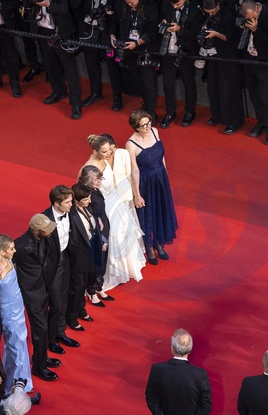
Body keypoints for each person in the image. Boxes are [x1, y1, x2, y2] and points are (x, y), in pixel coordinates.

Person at [83, 134, 146, 292]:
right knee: (113, 238)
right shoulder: (89, 167)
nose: (109, 153)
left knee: (124, 234)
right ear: (95, 151)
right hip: (104, 206)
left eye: (109, 150)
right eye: (105, 152)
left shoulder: (104, 160)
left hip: (115, 201)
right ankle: (110, 274)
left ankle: (123, 271)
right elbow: (82, 189)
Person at [125, 110, 179, 265]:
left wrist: (165, 176)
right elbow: (134, 170)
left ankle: (158, 243)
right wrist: (137, 194)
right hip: (145, 183)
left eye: (149, 123)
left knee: (160, 210)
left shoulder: (155, 131)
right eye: (144, 125)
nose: (148, 127)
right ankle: (149, 246)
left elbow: (161, 156)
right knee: (148, 215)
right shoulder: (131, 144)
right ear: (136, 127)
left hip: (160, 179)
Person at [145, 329, 211, 415]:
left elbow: (151, 400)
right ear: (190, 349)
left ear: (172, 348)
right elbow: (206, 405)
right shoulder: (200, 374)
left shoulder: (157, 370)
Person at [13, 214, 59, 382]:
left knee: (44, 325)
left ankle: (41, 357)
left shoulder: (46, 237)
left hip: (45, 287)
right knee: (41, 329)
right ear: (37, 230)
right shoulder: (20, 245)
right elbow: (6, 263)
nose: (50, 232)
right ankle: (39, 367)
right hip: (31, 292)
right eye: (46, 230)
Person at [0, 234, 34, 393]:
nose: (15, 251)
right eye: (11, 249)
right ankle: (17, 384)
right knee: (15, 346)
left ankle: (18, 380)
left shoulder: (10, 260)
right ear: (2, 251)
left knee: (19, 344)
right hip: (8, 313)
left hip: (19, 307)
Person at [42, 185, 81, 353]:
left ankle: (60, 332)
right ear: (57, 203)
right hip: (52, 265)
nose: (71, 204)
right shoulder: (44, 219)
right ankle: (51, 340)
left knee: (64, 299)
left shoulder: (70, 212)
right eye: (67, 202)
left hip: (66, 259)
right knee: (56, 304)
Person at [110, 0, 161, 119]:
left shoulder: (150, 7)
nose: (129, 4)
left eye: (132, 2)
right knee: (138, 79)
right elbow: (113, 20)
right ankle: (146, 104)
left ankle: (151, 112)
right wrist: (112, 35)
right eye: (127, 2)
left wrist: (137, 43)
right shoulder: (122, 6)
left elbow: (153, 31)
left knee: (148, 81)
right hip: (129, 50)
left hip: (146, 50)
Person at [240, 0, 268, 145]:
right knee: (253, 94)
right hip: (249, 60)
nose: (251, 20)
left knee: (264, 97)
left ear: (257, 8)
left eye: (253, 17)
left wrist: (257, 30)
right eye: (248, 18)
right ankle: (261, 121)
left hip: (264, 62)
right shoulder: (245, 16)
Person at [200, 0, 244, 135]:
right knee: (212, 86)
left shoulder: (228, 15)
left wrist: (216, 34)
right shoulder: (209, 16)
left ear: (218, 5)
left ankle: (234, 121)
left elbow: (231, 38)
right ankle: (216, 115)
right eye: (208, 12)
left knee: (229, 89)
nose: (211, 14)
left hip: (229, 56)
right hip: (214, 55)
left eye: (212, 11)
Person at [159, 0, 203, 128]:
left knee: (188, 83)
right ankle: (170, 112)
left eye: (177, 4)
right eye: (172, 3)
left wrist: (180, 29)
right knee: (167, 84)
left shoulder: (194, 11)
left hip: (186, 52)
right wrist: (162, 24)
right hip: (168, 50)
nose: (174, 6)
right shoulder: (166, 6)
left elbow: (196, 34)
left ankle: (189, 112)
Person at [37, 0, 83, 120]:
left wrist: (49, 5)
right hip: (43, 29)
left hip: (62, 32)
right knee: (50, 64)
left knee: (69, 68)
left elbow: (64, 9)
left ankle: (76, 103)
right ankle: (58, 91)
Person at [76, 0, 124, 111]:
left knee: (112, 66)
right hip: (88, 32)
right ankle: (95, 93)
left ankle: (117, 96)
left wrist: (112, 34)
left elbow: (116, 16)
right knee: (91, 63)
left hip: (107, 33)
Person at [66, 183, 102, 329]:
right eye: (86, 199)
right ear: (76, 200)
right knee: (78, 287)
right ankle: (72, 317)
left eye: (89, 198)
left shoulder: (88, 208)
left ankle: (81, 310)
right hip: (78, 257)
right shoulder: (71, 214)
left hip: (90, 253)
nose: (89, 201)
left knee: (85, 284)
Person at [78, 165, 111, 305]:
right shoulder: (86, 194)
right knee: (97, 262)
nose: (99, 182)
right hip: (96, 231)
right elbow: (88, 213)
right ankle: (92, 291)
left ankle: (98, 287)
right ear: (86, 180)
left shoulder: (95, 190)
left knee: (102, 260)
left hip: (103, 227)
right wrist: (99, 235)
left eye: (100, 179)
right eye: (96, 179)